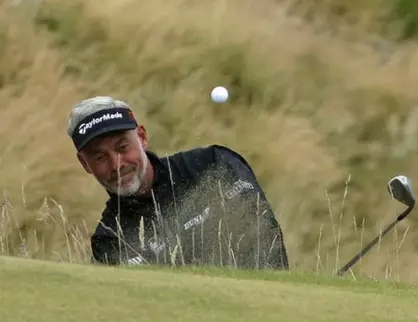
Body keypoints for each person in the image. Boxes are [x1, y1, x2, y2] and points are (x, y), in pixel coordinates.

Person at [66, 96, 289, 270]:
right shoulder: (109, 240)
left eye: (123, 148)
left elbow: (266, 246)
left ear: (142, 138)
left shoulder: (213, 165)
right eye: (99, 157)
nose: (117, 164)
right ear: (85, 164)